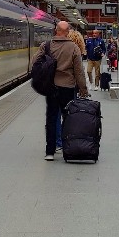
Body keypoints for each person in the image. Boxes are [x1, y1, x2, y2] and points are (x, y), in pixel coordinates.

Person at [35, 20, 88, 160]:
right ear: (68, 32)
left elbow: (34, 62)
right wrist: (83, 89)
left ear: (56, 31)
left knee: (51, 118)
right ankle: (68, 149)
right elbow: (79, 72)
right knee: (68, 119)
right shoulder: (74, 48)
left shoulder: (46, 45)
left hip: (51, 87)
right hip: (68, 88)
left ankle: (50, 152)